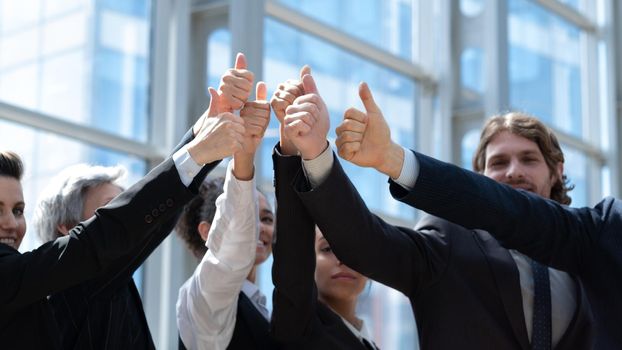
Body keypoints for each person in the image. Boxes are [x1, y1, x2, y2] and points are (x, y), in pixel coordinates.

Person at [273, 76, 592, 349]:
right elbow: (366, 242)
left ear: (557, 172)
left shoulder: (590, 255)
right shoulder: (451, 239)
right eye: (498, 163)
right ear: (478, 178)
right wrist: (315, 153)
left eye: (529, 159)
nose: (513, 172)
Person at [0, 84, 247, 349]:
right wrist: (199, 152)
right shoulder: (75, 286)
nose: (12, 223)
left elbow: (152, 220)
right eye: (108, 210)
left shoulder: (41, 289)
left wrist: (202, 137)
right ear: (67, 228)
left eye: (18, 210)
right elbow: (112, 231)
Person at [176, 54, 276, 350]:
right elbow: (233, 249)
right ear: (207, 232)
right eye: (253, 216)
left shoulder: (262, 306)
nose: (259, 228)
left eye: (267, 219)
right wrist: (243, 158)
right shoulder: (203, 298)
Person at [271, 70, 376, 348]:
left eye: (353, 249)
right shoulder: (301, 326)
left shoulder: (370, 342)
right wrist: (292, 145)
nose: (344, 258)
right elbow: (293, 244)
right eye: (327, 249)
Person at [32, 163, 156, 349]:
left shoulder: (117, 281)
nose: (127, 219)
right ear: (68, 227)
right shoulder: (81, 284)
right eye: (111, 210)